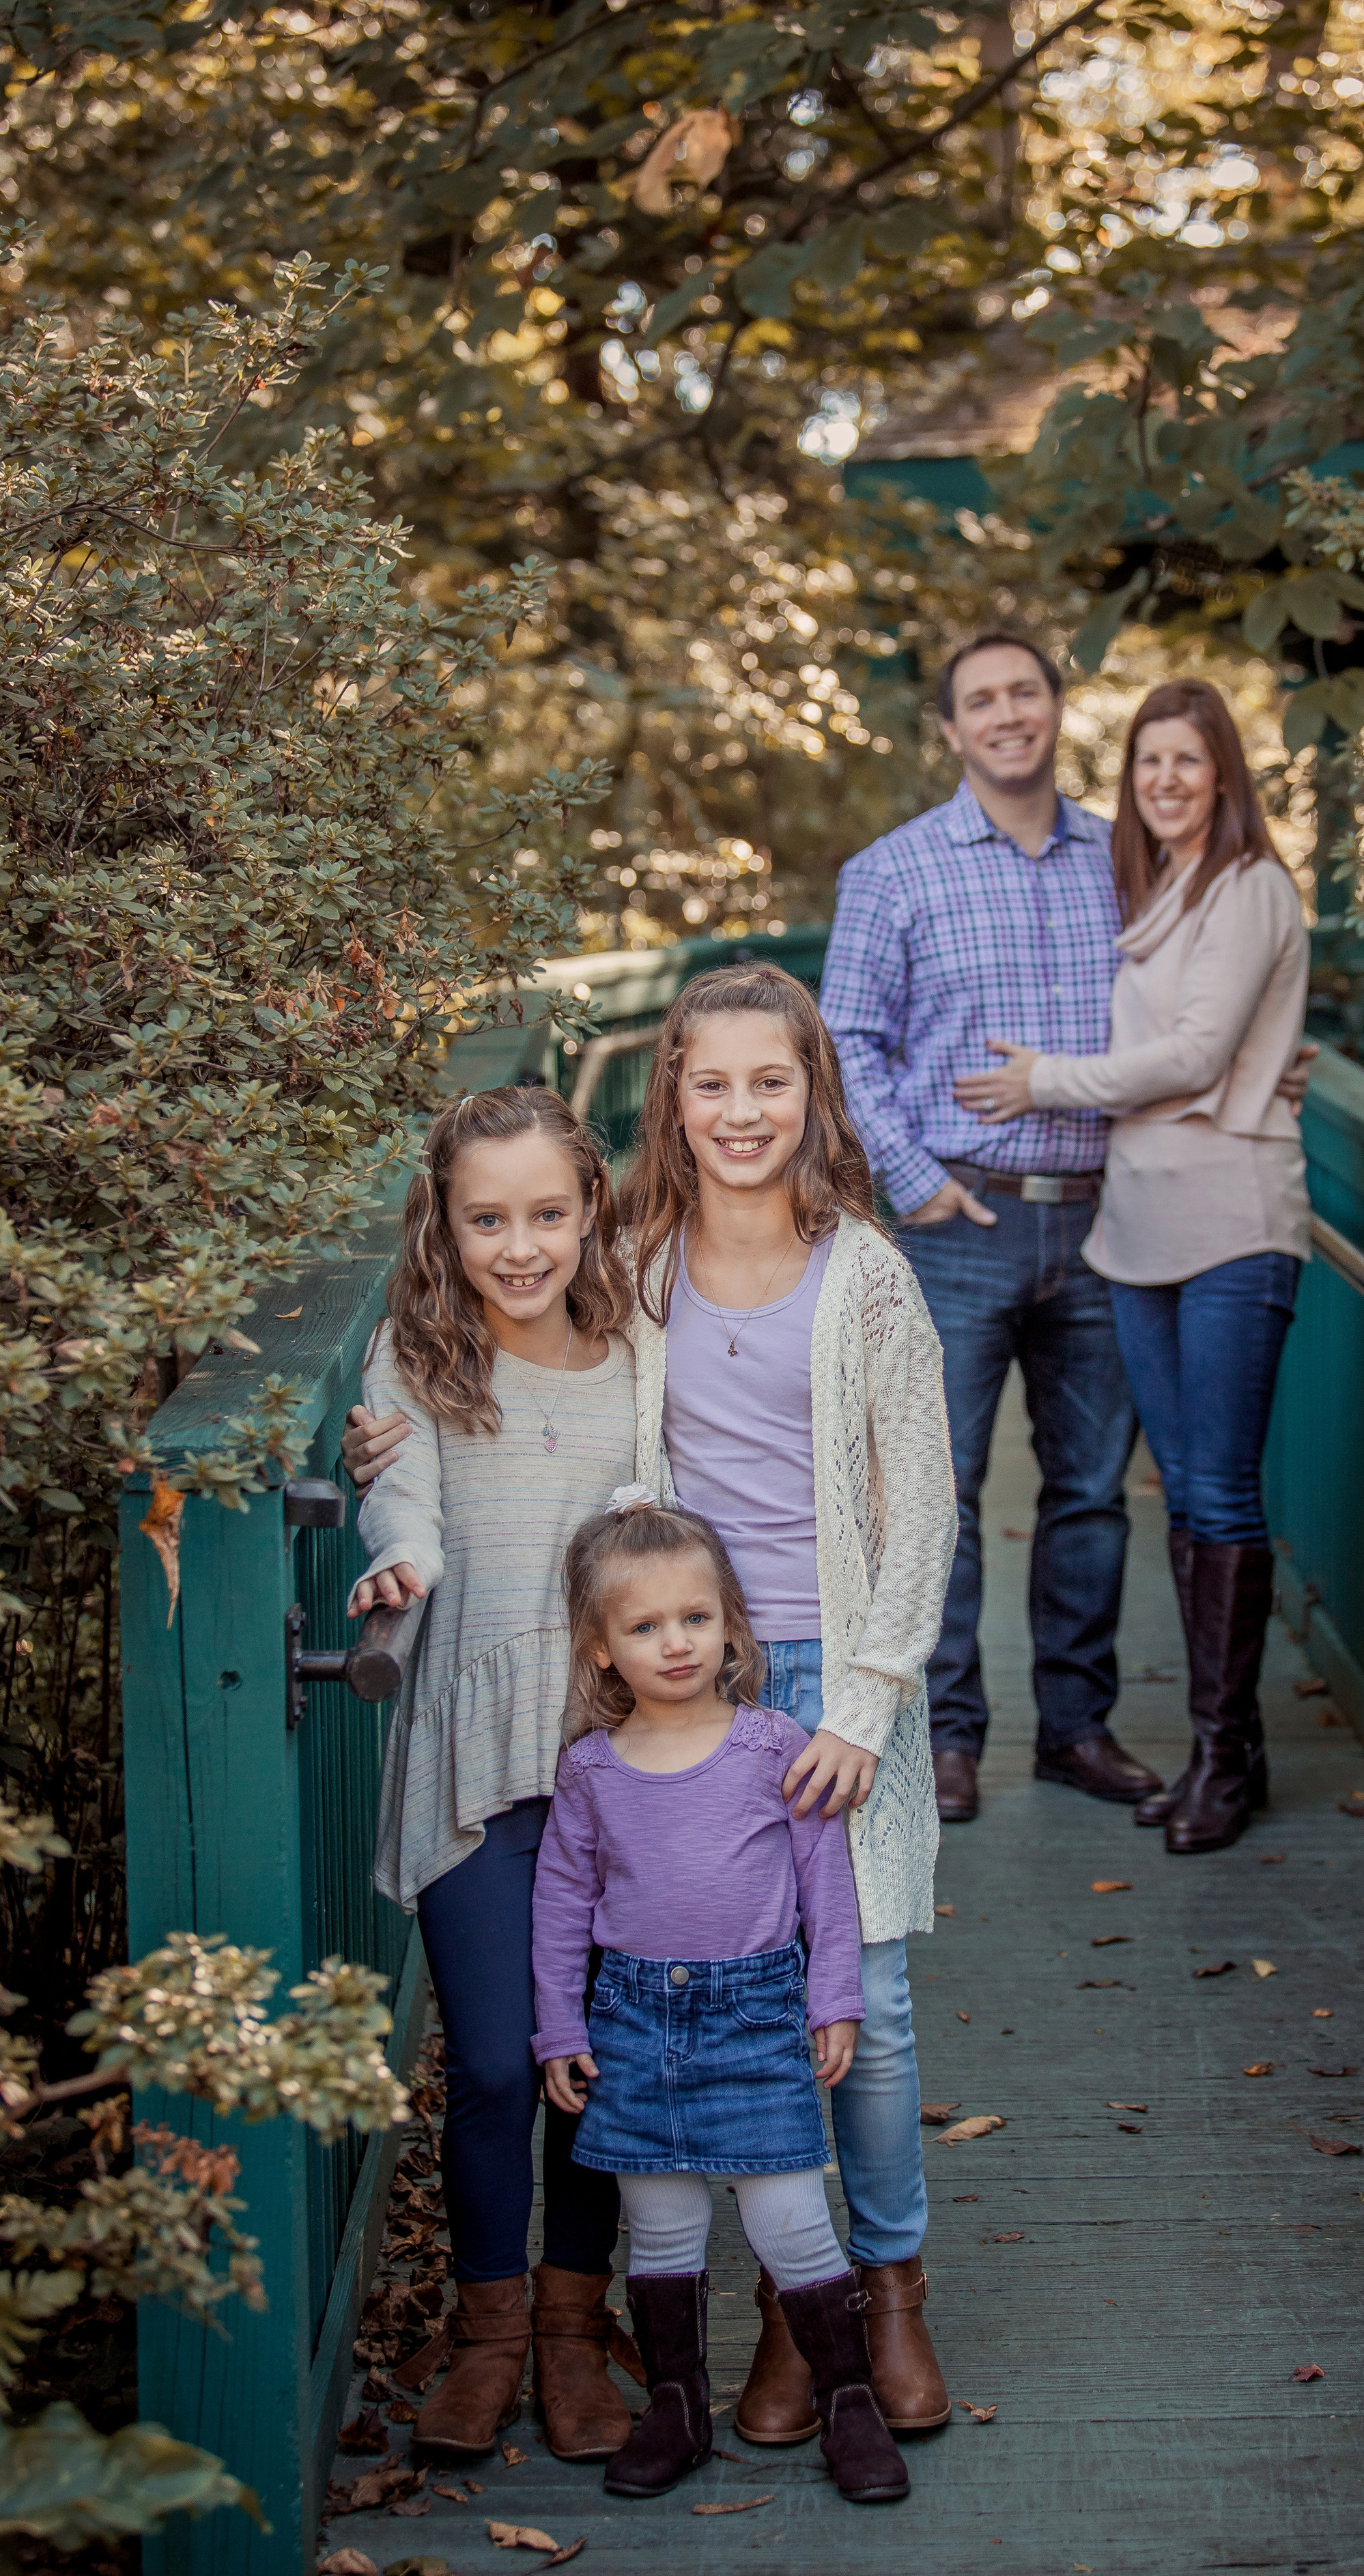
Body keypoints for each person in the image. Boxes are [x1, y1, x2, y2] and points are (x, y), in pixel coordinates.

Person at [616, 961, 957, 2449]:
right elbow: (517, 1363)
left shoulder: (865, 1274)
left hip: (838, 1686)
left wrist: (868, 1710)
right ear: (673, 1098)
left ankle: (889, 2297)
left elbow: (925, 1508)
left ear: (810, 1092)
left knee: (864, 2011)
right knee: (740, 2016)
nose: (741, 1111)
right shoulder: (633, 1264)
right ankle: (785, 2307)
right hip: (698, 1692)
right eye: (712, 1083)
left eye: (772, 1081)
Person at [952, 677, 1311, 1855]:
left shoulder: (1251, 887)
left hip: (1232, 1223)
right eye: (1148, 763)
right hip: (1137, 1228)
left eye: (1187, 762)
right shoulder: (1154, 891)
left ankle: (1220, 1758)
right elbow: (1182, 1047)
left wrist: (1043, 1080)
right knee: (1181, 1500)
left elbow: (1201, 1051)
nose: (1164, 781)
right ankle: (1232, 1752)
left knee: (1218, 1493)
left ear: (1225, 775)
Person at [343, 1084, 642, 2465]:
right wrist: (396, 1557)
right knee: (491, 2066)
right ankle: (488, 2331)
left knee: (585, 2057)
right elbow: (395, 1491)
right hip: (472, 1742)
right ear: (444, 1225)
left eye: (545, 1214)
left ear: (590, 1205)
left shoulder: (644, 1346)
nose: (518, 1246)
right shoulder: (417, 1356)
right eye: (485, 1220)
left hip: (609, 1754)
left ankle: (579, 2333)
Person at [819, 632, 1159, 1828]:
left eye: (1026, 690)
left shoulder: (1127, 861)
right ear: (953, 730)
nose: (1008, 714)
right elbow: (843, 1042)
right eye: (982, 700)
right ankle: (946, 1737)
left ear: (1057, 709)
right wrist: (913, 1180)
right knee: (939, 1493)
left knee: (1092, 1493)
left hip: (1110, 1221)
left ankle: (1077, 1730)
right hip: (955, 1221)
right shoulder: (895, 870)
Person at [531, 1493, 909, 2506]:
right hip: (630, 2024)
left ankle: (849, 2402)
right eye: (645, 1627)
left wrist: (833, 1998)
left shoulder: (772, 1747)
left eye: (696, 1618)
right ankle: (677, 2405)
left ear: (730, 1625)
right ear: (603, 1649)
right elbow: (563, 1904)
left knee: (789, 2216)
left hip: (753, 2016)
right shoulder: (592, 1772)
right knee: (659, 2226)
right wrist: (559, 2023)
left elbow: (825, 1882)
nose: (677, 1643)